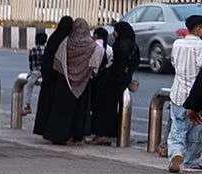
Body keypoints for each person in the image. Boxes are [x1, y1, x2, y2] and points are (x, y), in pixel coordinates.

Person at [41, 17, 100, 147]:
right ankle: (75, 137)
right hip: (83, 85)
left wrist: (67, 73)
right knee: (78, 113)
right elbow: (95, 65)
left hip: (64, 83)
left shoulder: (66, 42)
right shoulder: (92, 46)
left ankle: (59, 136)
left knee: (62, 111)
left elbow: (57, 63)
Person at [88, 20, 140, 145]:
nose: (115, 33)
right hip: (124, 79)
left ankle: (102, 134)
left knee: (104, 107)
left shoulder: (120, 45)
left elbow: (117, 65)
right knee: (111, 107)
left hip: (112, 81)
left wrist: (104, 74)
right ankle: (112, 132)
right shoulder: (133, 46)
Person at [169, 13, 202, 172]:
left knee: (177, 127)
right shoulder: (201, 46)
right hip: (196, 95)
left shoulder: (177, 44)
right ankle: (191, 160)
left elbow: (173, 63)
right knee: (196, 130)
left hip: (177, 93)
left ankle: (176, 152)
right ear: (198, 29)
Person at [31, 18, 72, 138]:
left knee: (46, 105)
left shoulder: (54, 38)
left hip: (49, 77)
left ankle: (43, 129)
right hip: (57, 78)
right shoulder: (64, 41)